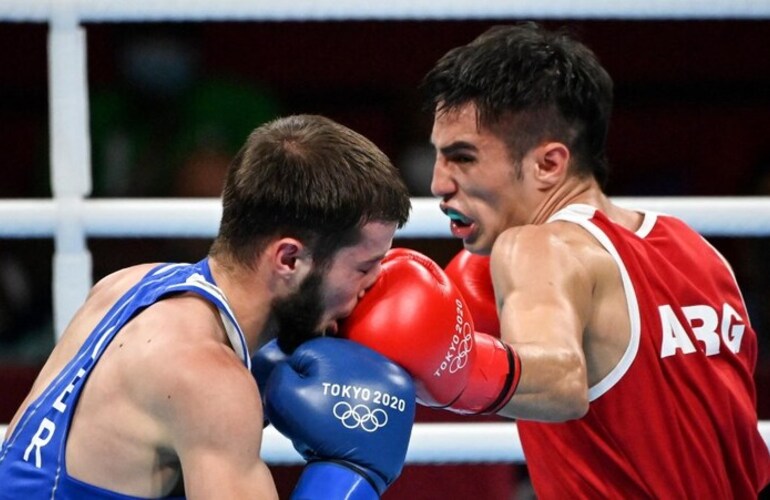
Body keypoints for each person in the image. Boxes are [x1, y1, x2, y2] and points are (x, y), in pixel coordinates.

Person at [340, 23, 770, 497]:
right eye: (437, 156)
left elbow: (561, 380)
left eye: (463, 158)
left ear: (548, 164)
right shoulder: (698, 251)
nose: (438, 183)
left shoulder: (535, 246)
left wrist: (448, 364)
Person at [0, 114, 416, 499]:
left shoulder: (130, 283)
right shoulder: (208, 379)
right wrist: (350, 475)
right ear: (289, 259)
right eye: (363, 267)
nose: (372, 286)